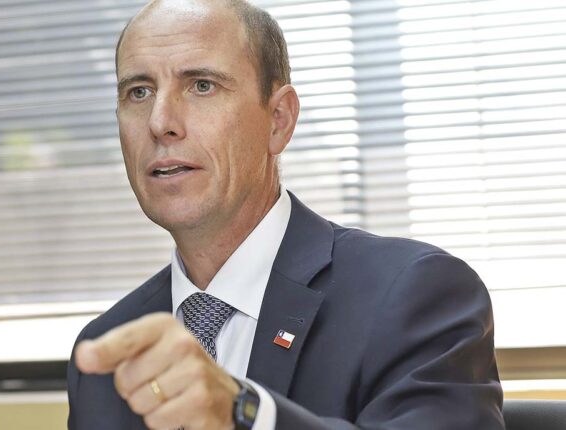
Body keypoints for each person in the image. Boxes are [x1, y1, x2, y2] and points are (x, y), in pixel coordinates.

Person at [66, 0, 505, 429]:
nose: (160, 122)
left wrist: (244, 413)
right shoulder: (106, 351)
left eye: (201, 85)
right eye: (139, 92)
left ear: (278, 120)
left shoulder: (414, 294)